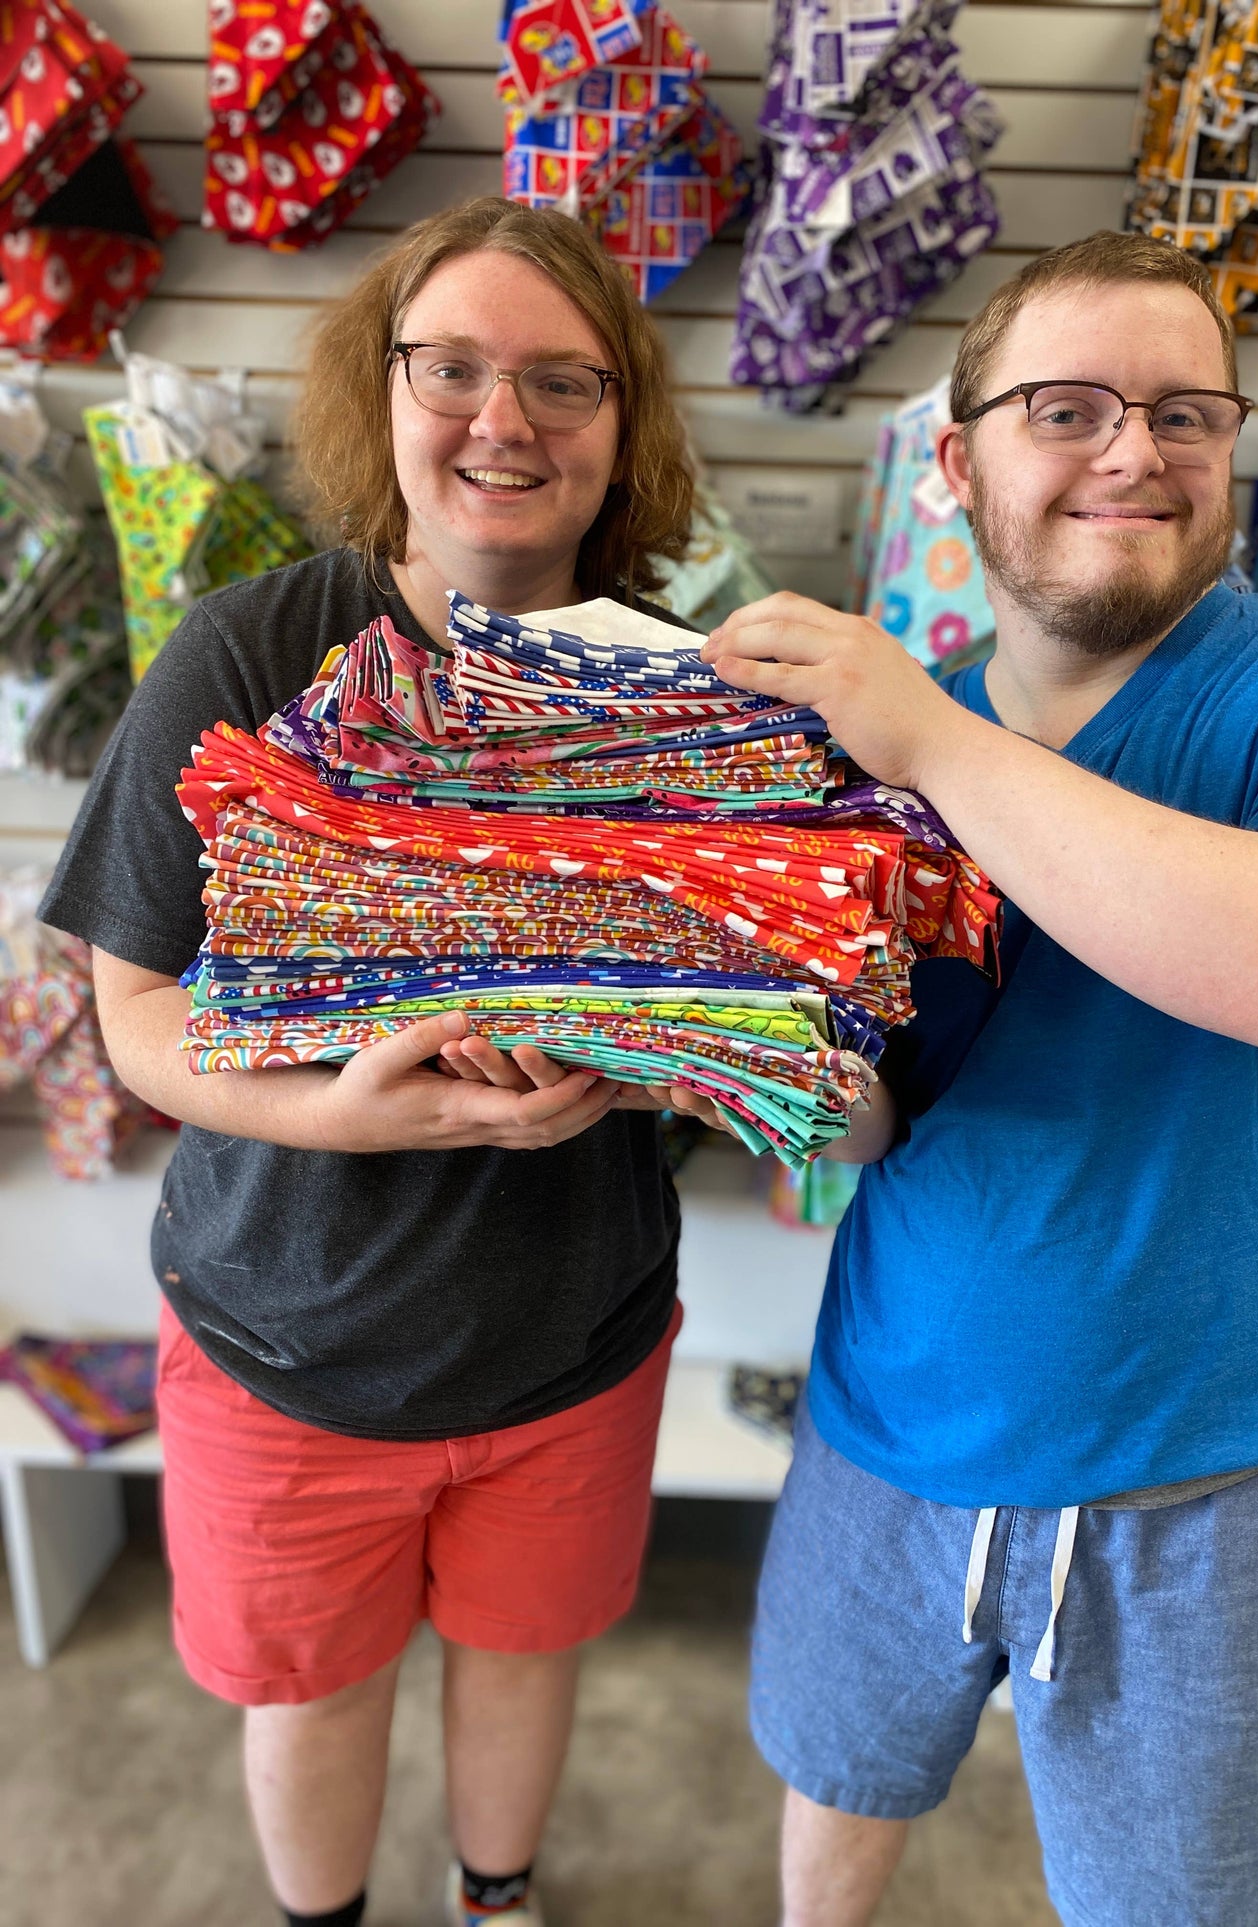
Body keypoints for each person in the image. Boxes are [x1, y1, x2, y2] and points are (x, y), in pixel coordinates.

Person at [700, 232, 1258, 1927]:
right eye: (1066, 408)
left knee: (1165, 1904)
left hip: (1202, 1483)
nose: (1133, 450)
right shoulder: (871, 757)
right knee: (832, 1775)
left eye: (1184, 411)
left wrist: (928, 739)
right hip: (883, 1424)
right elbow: (873, 1120)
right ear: (957, 463)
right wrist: (731, 1048)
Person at [39, 198, 707, 1927]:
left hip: (570, 1339)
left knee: (524, 1660)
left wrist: (674, 1060)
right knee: (314, 1695)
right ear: (381, 391)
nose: (504, 420)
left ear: (622, 419)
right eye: (452, 368)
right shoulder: (248, 654)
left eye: (563, 379)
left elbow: (739, 1015)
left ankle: (495, 1902)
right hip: (289, 1344)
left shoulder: (682, 689)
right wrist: (339, 1116)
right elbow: (135, 1010)